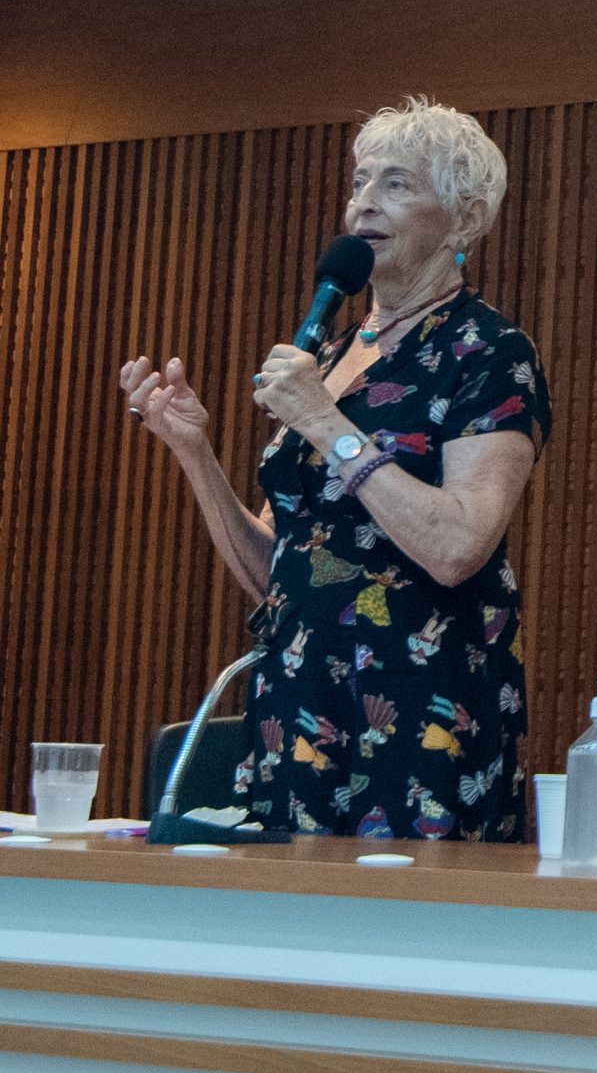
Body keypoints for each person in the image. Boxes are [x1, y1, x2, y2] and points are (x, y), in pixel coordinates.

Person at [120, 98, 550, 839]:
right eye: (360, 182)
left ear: (467, 220)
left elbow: (457, 546)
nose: (362, 205)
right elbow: (278, 571)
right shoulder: (328, 357)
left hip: (423, 712)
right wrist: (195, 451)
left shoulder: (488, 353)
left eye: (396, 184)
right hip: (297, 701)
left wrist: (323, 421)